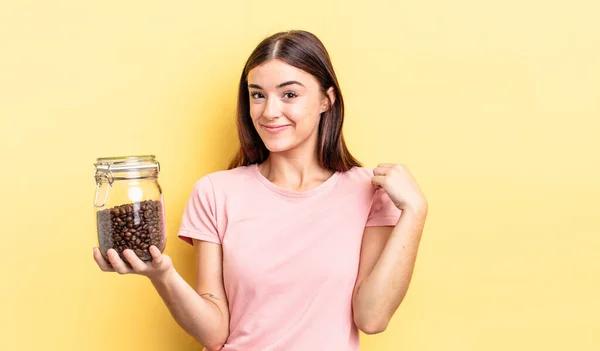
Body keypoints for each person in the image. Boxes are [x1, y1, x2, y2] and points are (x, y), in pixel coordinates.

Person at [93, 29, 428, 351]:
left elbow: (371, 317)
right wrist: (162, 275)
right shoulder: (215, 193)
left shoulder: (369, 192)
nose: (269, 111)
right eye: (257, 95)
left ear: (327, 100)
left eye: (290, 94)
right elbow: (214, 333)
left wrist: (415, 211)